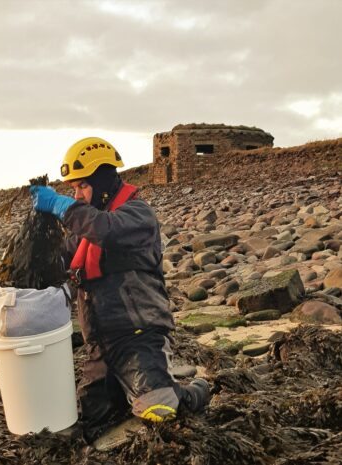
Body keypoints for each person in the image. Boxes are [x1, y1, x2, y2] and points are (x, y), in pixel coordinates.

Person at [30, 137, 210, 442]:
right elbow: (59, 260)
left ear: (102, 182)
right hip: (100, 346)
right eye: (72, 189)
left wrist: (63, 206)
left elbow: (105, 229)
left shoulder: (137, 215)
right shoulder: (85, 229)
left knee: (158, 413)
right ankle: (139, 388)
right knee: (91, 421)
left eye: (82, 186)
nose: (77, 195)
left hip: (139, 336)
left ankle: (192, 393)